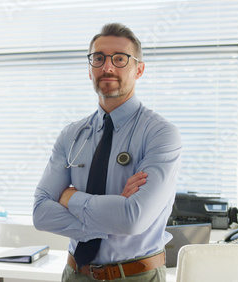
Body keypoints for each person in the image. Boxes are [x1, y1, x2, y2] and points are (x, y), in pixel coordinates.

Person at [33, 23, 182, 282]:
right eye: (99, 58)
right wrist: (113, 213)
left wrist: (71, 198)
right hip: (75, 274)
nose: (108, 67)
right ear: (90, 70)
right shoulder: (71, 134)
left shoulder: (161, 134)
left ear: (139, 70)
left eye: (120, 59)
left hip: (136, 275)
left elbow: (133, 219)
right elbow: (41, 213)